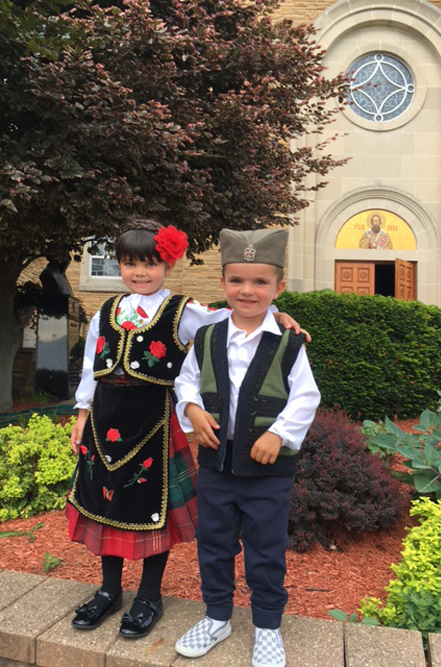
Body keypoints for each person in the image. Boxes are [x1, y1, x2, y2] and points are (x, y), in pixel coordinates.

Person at [66, 217, 308, 639]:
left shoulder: (182, 311)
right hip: (105, 426)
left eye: (150, 263)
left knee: (149, 508)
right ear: (120, 265)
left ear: (168, 265)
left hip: (152, 427)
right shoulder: (105, 310)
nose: (140, 272)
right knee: (107, 505)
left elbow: (231, 319)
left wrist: (276, 314)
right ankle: (109, 590)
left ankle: (148, 596)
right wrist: (83, 415)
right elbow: (92, 364)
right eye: (129, 263)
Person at [173, 228, 320, 667]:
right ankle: (217, 616)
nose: (247, 290)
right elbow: (185, 380)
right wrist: (192, 408)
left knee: (266, 546)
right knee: (213, 542)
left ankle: (267, 626)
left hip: (268, 474)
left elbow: (306, 396)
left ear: (279, 286)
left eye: (260, 282)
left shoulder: (289, 342)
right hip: (217, 462)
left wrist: (279, 433)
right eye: (237, 280)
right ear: (222, 284)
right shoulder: (207, 336)